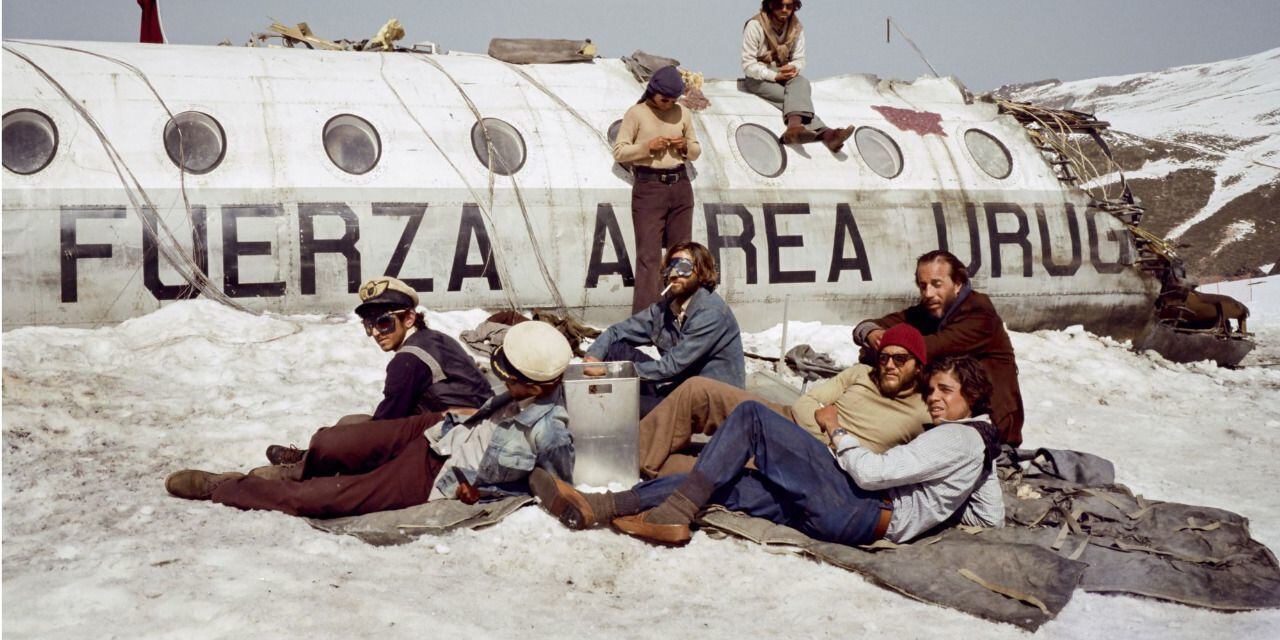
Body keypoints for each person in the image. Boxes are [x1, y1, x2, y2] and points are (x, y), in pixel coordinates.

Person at [531, 355, 1004, 547]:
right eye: (935, 390)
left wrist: (838, 432)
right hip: (852, 520)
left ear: (973, 399)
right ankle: (604, 506)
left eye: (946, 391)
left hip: (860, 503)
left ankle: (675, 511)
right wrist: (940, 514)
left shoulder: (956, 437)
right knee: (733, 483)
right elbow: (991, 518)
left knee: (754, 418)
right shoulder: (978, 446)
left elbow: (875, 474)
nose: (935, 398)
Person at [164, 321, 575, 519]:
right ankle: (301, 466)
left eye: (509, 375)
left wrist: (482, 496)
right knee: (332, 441)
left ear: (534, 385)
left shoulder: (551, 430)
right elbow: (493, 415)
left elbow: (548, 486)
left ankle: (226, 486)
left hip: (439, 472)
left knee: (326, 499)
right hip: (440, 428)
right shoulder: (526, 388)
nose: (500, 376)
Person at [637, 323, 931, 478]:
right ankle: (629, 464)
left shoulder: (925, 411)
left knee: (705, 469)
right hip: (788, 418)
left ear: (918, 366)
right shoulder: (861, 373)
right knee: (698, 390)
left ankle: (651, 471)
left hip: (814, 460)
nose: (890, 365)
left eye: (901, 359)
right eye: (885, 357)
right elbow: (807, 402)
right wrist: (825, 430)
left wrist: (829, 437)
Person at [263, 276, 495, 465]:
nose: (376, 333)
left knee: (343, 437)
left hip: (453, 440)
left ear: (409, 318)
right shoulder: (435, 338)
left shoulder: (408, 359)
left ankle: (305, 462)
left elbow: (386, 425)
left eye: (383, 323)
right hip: (474, 429)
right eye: (369, 325)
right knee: (350, 422)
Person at [852, 250, 1025, 446]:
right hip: (949, 416)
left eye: (937, 284)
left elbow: (929, 348)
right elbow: (870, 326)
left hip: (990, 426)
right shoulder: (931, 309)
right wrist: (871, 333)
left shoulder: (980, 316)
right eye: (923, 286)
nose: (928, 294)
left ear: (957, 284)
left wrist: (883, 349)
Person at [582, 241, 744, 416]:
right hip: (679, 385)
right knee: (615, 350)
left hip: (710, 402)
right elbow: (617, 332)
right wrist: (594, 357)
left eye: (683, 266)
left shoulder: (711, 313)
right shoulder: (666, 309)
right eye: (669, 268)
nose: (673, 274)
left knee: (622, 404)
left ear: (702, 270)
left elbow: (672, 367)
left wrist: (614, 372)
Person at [612, 65, 702, 313]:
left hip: (680, 185)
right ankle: (645, 319)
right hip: (649, 186)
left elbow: (695, 150)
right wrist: (647, 147)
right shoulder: (636, 113)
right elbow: (619, 151)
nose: (667, 104)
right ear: (653, 92)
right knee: (648, 257)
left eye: (673, 99)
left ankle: (679, 313)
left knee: (682, 255)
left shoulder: (682, 113)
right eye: (664, 99)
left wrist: (684, 146)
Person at [740, 0, 853, 153]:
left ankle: (794, 130)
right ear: (771, 4)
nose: (785, 10)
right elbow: (748, 64)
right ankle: (827, 134)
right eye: (780, 5)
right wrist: (773, 76)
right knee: (794, 101)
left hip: (783, 74)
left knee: (801, 83)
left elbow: (800, 59)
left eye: (789, 6)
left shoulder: (796, 28)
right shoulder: (755, 25)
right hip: (759, 77)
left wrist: (792, 68)